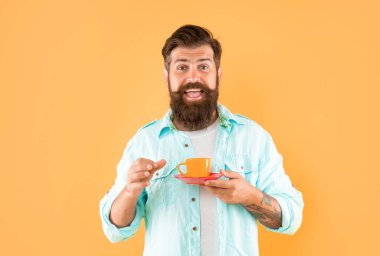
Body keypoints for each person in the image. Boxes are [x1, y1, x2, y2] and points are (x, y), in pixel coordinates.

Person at [99, 24, 304, 256]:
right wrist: (130, 191)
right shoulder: (145, 142)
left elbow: (292, 217)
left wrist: (250, 196)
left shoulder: (252, 138)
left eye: (203, 67)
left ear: (218, 74)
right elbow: (114, 230)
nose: (193, 76)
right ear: (167, 77)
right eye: (182, 67)